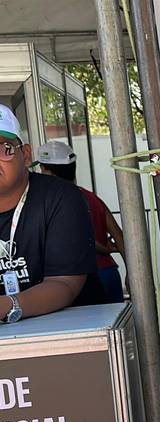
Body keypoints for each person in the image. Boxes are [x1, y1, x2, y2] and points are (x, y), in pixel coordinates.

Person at [0, 104, 104, 324]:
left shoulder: (61, 197)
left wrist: (8, 305)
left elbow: (64, 284)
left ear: (26, 155)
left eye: (3, 149)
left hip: (69, 337)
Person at [34, 140, 126, 303]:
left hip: (82, 280)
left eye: (41, 168)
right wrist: (132, 275)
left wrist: (103, 248)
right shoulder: (91, 196)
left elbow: (81, 238)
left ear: (46, 170)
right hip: (110, 273)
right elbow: (119, 236)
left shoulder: (54, 202)